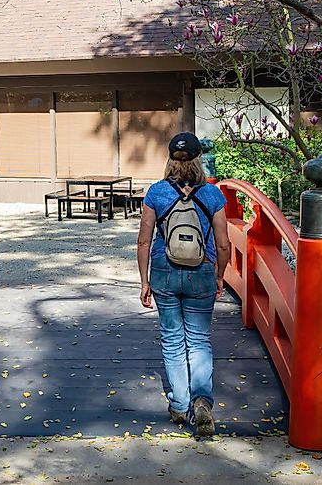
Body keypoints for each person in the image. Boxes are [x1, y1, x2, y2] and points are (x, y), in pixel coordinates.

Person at [136, 132, 231, 437]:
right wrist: (219, 275)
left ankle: (179, 404)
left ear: (170, 159)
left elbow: (143, 240)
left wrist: (144, 281)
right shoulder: (213, 195)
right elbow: (224, 243)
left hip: (164, 271)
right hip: (201, 271)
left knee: (173, 339)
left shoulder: (156, 193)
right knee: (199, 340)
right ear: (198, 158)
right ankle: (201, 400)